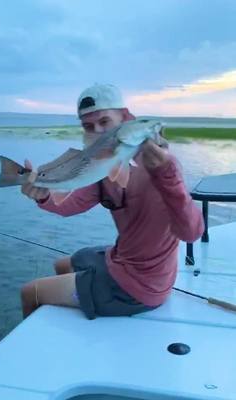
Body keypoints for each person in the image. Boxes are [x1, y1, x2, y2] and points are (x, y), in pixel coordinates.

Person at [20, 83, 204, 320]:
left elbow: (191, 232)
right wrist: (43, 194)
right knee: (63, 263)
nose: (97, 131)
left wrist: (165, 174)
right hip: (120, 259)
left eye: (105, 122)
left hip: (140, 287)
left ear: (125, 118)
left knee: (30, 292)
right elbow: (70, 205)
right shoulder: (103, 170)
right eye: (89, 126)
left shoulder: (162, 166)